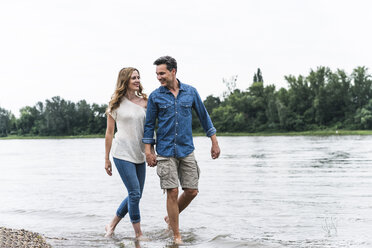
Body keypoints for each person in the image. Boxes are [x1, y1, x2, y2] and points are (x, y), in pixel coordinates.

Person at [142, 56, 221, 244]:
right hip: (165, 150)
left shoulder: (191, 92)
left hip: (186, 149)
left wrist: (214, 141)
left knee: (192, 191)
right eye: (157, 74)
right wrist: (148, 151)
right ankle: (176, 235)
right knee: (172, 191)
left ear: (173, 71)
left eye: (162, 73)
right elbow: (149, 125)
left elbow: (204, 116)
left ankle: (171, 217)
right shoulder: (155, 96)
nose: (159, 77)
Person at [104, 67, 150, 240]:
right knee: (135, 193)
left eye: (138, 77)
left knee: (135, 194)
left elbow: (150, 128)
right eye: (133, 78)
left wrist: (151, 151)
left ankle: (112, 224)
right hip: (121, 153)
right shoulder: (115, 103)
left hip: (140, 153)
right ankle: (138, 234)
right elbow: (109, 133)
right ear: (125, 81)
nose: (137, 80)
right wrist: (106, 158)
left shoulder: (146, 102)